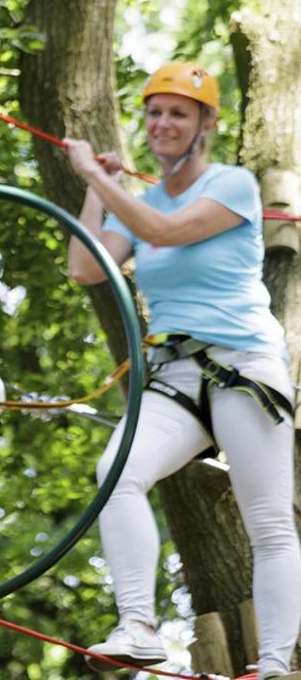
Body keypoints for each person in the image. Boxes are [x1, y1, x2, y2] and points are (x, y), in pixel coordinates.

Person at [64, 62, 300, 678]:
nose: (163, 123)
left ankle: (274, 662)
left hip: (244, 366)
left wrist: (95, 173)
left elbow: (164, 232)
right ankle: (138, 626)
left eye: (179, 113)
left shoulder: (233, 184)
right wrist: (96, 189)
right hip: (177, 373)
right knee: (115, 472)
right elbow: (87, 268)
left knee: (268, 521)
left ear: (204, 125)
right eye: (155, 112)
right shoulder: (135, 202)